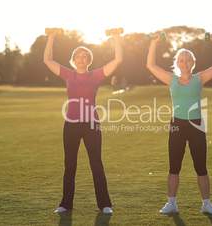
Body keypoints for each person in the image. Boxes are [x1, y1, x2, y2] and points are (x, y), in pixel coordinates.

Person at [43, 28, 123, 214]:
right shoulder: (68, 74)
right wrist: (51, 37)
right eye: (78, 56)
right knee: (70, 164)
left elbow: (118, 60)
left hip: (91, 124)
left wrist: (117, 38)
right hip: (71, 124)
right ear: (73, 59)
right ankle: (65, 204)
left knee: (96, 163)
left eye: (85, 56)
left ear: (89, 60)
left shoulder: (95, 75)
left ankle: (105, 204)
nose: (81, 59)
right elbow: (47, 60)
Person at [146, 33, 212, 215]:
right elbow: (150, 65)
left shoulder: (199, 78)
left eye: (188, 59)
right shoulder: (171, 79)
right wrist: (153, 43)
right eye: (181, 60)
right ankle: (171, 203)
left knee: (201, 167)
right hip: (177, 125)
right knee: (174, 167)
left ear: (193, 62)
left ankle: (206, 204)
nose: (184, 62)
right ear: (177, 63)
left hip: (196, 125)